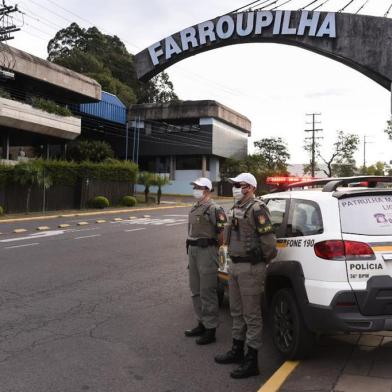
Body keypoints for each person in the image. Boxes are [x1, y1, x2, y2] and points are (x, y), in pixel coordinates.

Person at [214, 173, 277, 379]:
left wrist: (260, 262)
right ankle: (237, 350)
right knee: (236, 311)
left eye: (238, 185)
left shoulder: (257, 208)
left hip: (250, 268)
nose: (234, 188)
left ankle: (252, 361)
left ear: (249, 187)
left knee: (252, 316)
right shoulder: (237, 208)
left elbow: (269, 243)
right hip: (235, 266)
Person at [184, 177, 227, 345]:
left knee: (207, 291)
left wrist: (214, 250)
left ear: (207, 190)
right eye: (194, 186)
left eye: (198, 187)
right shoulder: (195, 207)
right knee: (195, 290)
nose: (195, 189)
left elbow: (222, 233)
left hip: (207, 251)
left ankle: (211, 329)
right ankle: (201, 323)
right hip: (193, 251)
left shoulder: (214, 208)